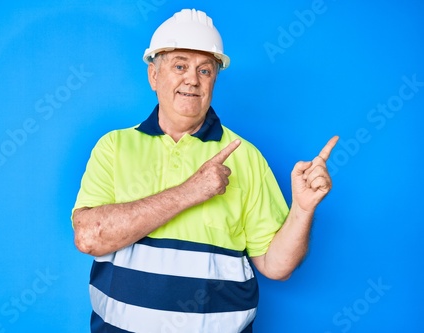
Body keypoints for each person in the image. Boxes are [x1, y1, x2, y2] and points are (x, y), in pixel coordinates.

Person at [72, 8, 338, 333]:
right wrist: (191, 192)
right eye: (180, 66)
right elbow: (88, 238)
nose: (192, 80)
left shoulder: (246, 156)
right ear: (154, 76)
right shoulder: (113, 147)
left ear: (215, 80)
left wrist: (303, 209)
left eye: (205, 70)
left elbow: (276, 267)